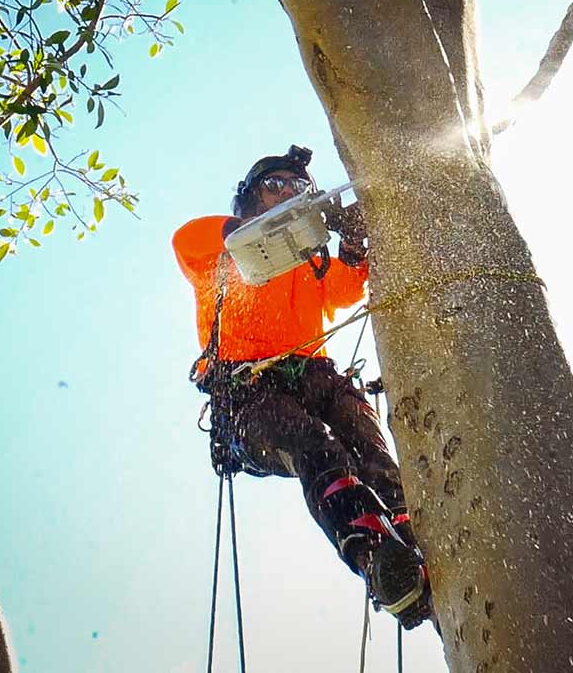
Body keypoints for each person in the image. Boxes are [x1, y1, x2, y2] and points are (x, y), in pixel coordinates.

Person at [172, 145, 432, 629]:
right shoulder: (214, 248)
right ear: (249, 199)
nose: (288, 195)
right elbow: (192, 241)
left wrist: (351, 242)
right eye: (276, 186)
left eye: (297, 189)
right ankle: (373, 556)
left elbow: (345, 290)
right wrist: (295, 220)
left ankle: (408, 540)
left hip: (316, 378)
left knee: (374, 454)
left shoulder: (309, 264)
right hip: (248, 391)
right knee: (317, 447)